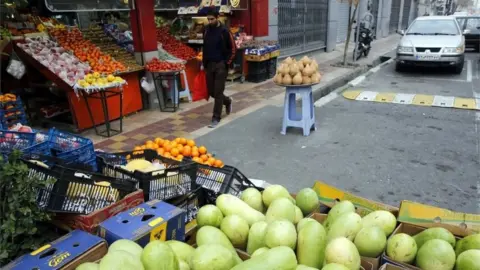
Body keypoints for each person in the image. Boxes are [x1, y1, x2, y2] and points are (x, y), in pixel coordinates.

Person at [202, 9, 236, 128]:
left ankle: (216, 117)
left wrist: (226, 63)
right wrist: (203, 63)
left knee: (218, 91)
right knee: (212, 92)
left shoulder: (224, 31)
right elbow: (204, 47)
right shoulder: (206, 30)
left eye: (212, 19)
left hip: (221, 65)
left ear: (217, 17)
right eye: (208, 19)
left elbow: (233, 49)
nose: (210, 21)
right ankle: (228, 101)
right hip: (209, 65)